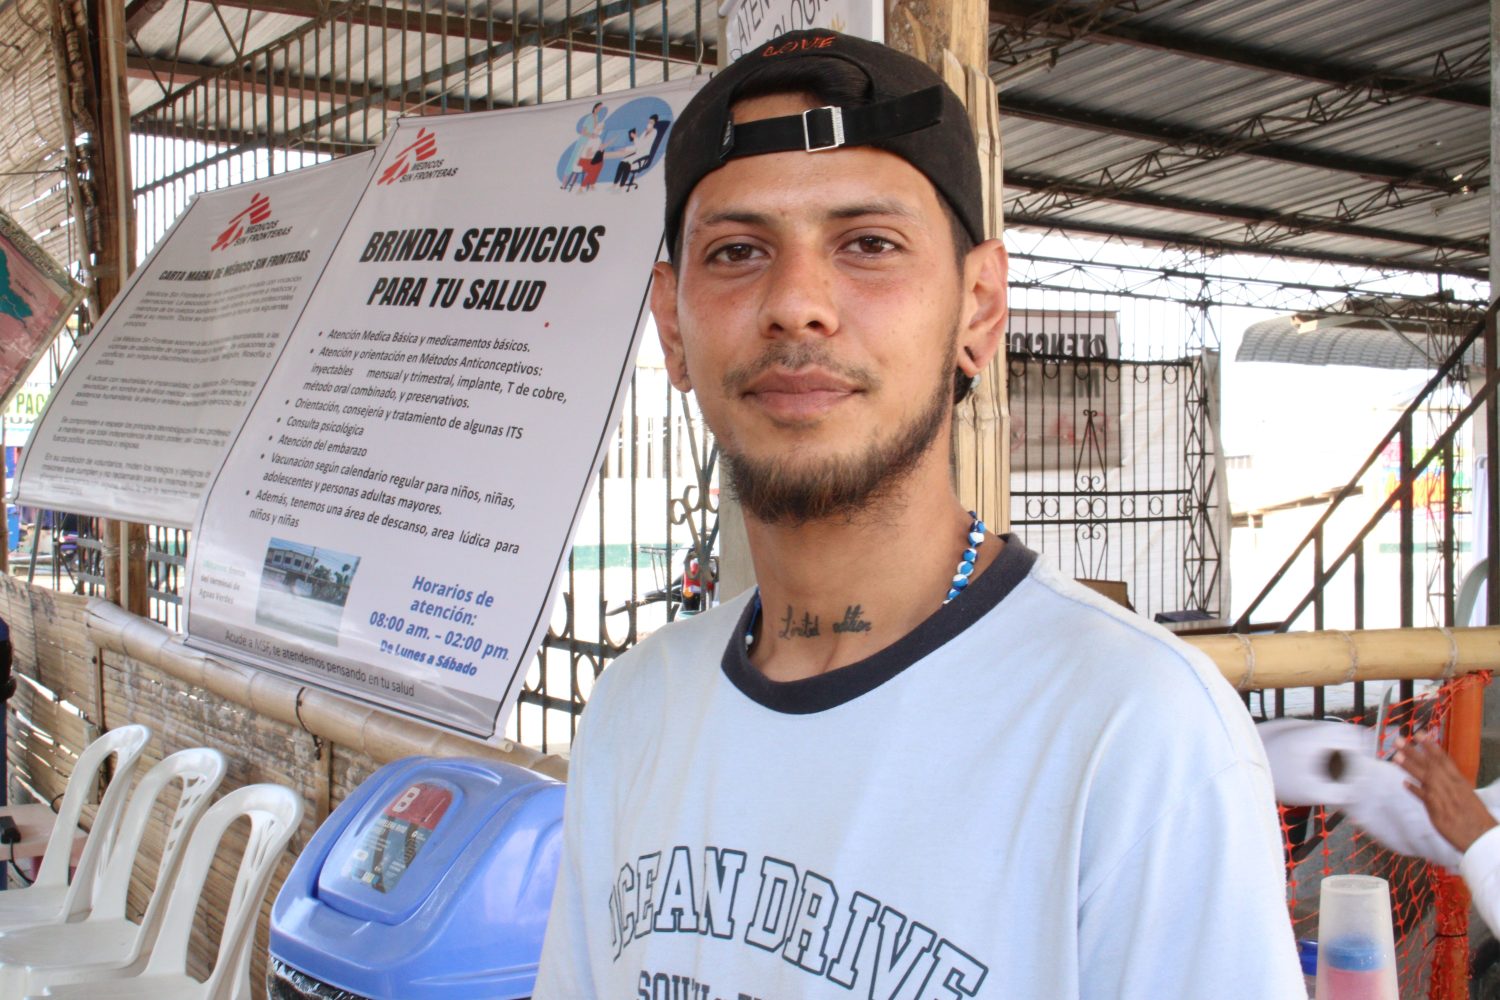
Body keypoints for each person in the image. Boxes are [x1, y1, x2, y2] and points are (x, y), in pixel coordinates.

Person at [535, 29, 1303, 998]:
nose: (798, 304)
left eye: (869, 244)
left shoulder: (1136, 733)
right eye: (736, 251)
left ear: (980, 307)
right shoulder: (634, 712)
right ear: (672, 325)